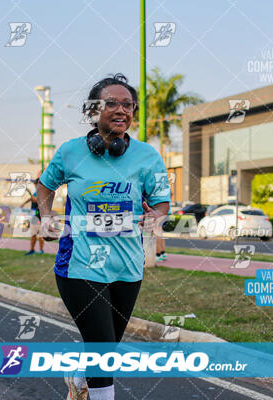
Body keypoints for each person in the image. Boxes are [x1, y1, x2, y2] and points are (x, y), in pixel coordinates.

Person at [37, 74, 171, 400]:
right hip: (79, 266)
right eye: (110, 103)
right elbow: (45, 186)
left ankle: (79, 377)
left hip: (127, 266)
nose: (120, 109)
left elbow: (162, 201)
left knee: (106, 343)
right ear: (93, 110)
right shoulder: (70, 153)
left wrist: (156, 216)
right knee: (102, 349)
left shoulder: (146, 156)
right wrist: (46, 216)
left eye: (127, 104)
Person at [23, 175, 44, 255]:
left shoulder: (42, 192)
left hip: (39, 214)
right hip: (34, 214)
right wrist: (24, 203)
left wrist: (28, 192)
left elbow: (35, 200)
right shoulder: (36, 192)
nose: (35, 186)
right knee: (33, 233)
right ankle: (32, 249)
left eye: (36, 184)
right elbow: (32, 198)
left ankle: (41, 250)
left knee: (40, 234)